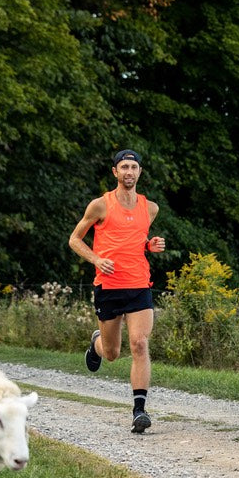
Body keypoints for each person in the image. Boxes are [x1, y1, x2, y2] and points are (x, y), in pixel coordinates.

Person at [68, 149, 166, 433]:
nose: (129, 172)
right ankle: (96, 343)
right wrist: (97, 259)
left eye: (133, 167)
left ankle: (139, 411)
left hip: (139, 285)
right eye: (124, 167)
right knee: (112, 353)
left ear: (140, 172)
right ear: (115, 172)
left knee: (139, 343)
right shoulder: (100, 205)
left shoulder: (150, 208)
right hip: (108, 287)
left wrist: (150, 246)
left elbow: (135, 239)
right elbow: (74, 240)